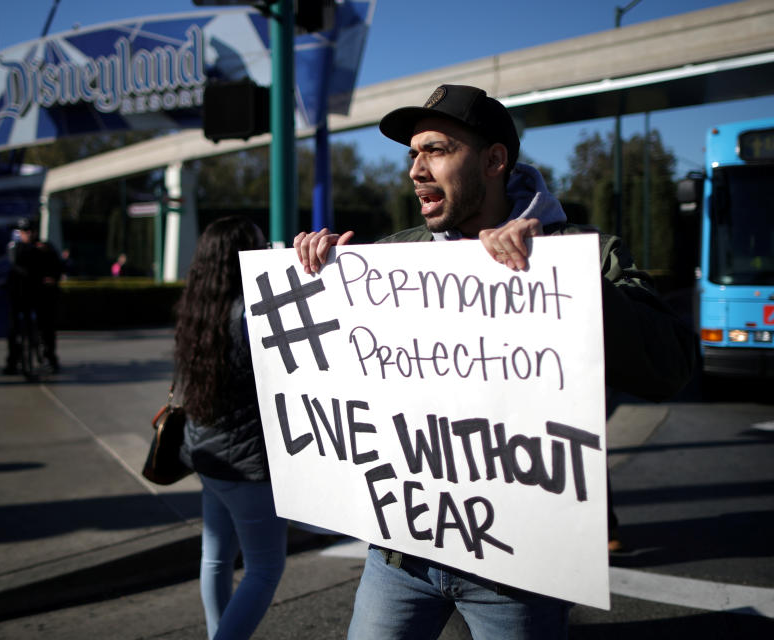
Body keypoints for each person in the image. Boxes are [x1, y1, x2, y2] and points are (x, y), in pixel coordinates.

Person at [294, 84, 695, 640]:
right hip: (400, 557)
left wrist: (564, 279)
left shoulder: (578, 251)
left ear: (494, 160)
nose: (416, 169)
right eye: (412, 154)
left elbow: (670, 366)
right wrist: (316, 275)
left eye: (435, 150)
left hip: (517, 571)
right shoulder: (389, 258)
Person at [176, 216, 288, 640]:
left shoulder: (198, 306)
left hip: (207, 456)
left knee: (216, 559)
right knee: (265, 568)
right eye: (260, 245)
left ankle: (215, 631)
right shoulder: (251, 312)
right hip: (248, 466)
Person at [3, 218, 63, 375]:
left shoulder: (45, 248)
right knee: (13, 329)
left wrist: (52, 278)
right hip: (18, 295)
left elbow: (57, 267)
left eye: (31, 231)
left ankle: (49, 357)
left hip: (39, 295)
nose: (28, 235)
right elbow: (15, 262)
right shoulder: (16, 247)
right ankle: (13, 360)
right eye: (24, 232)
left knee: (46, 327)